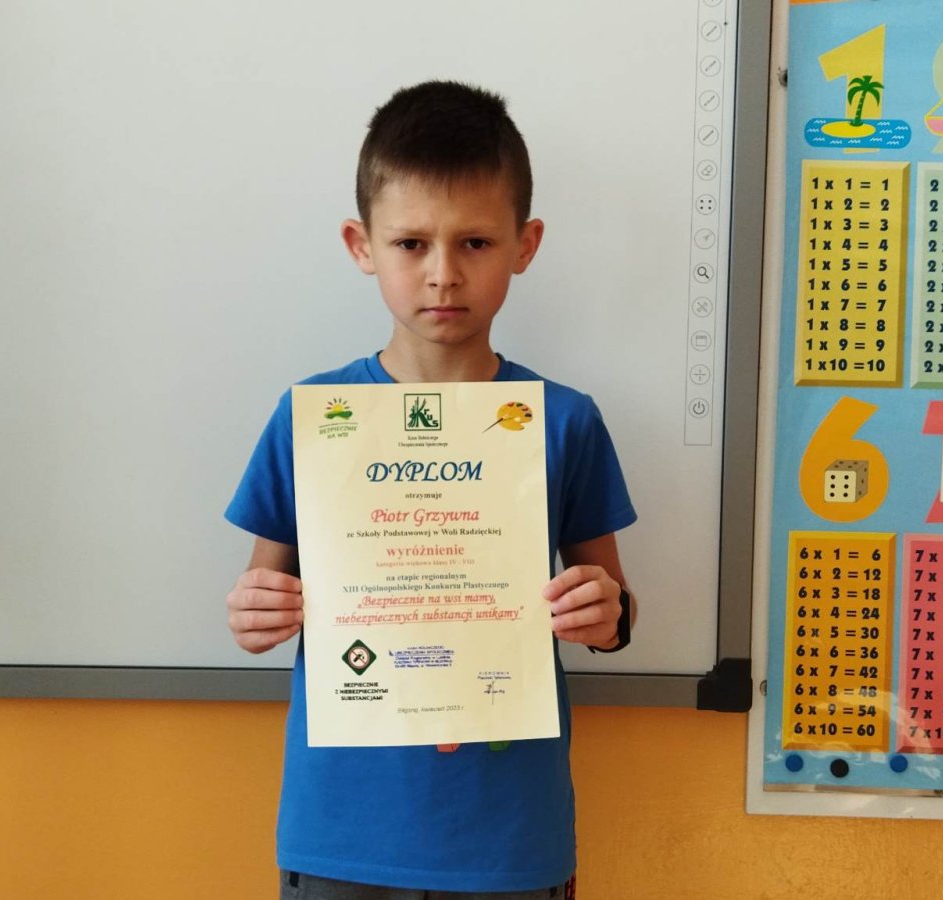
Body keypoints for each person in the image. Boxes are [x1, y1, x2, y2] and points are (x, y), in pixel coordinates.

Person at [224, 80, 637, 899]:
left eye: (475, 242)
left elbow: (615, 613)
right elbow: (262, 595)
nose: (443, 275)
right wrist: (254, 614)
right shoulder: (313, 417)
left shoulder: (563, 422)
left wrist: (605, 614)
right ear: (361, 245)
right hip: (343, 835)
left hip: (507, 839)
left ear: (524, 244)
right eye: (411, 243)